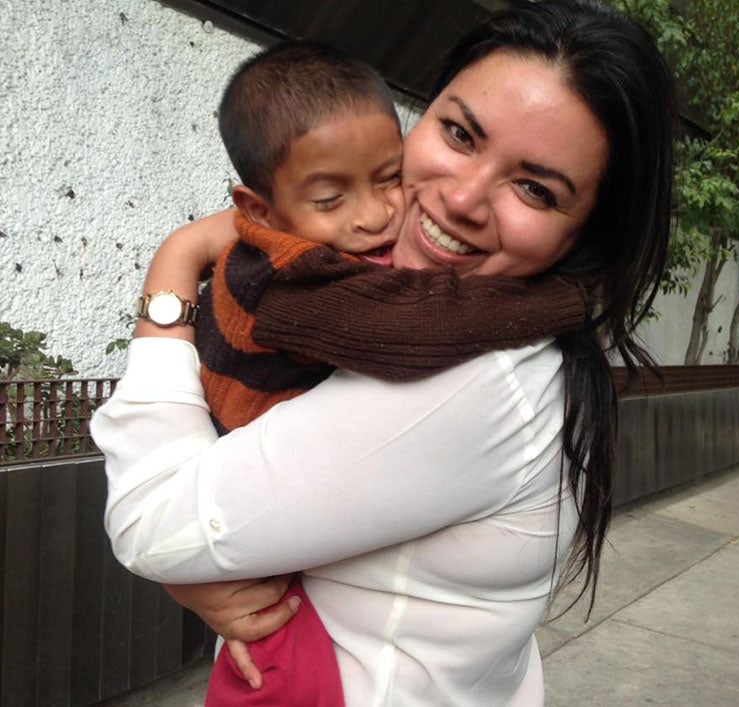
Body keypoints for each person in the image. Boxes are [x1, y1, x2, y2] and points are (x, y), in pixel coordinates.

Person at [92, 1, 676, 705]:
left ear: (585, 235)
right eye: (460, 132)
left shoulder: (464, 374)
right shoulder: (412, 309)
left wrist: (175, 262)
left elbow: (151, 523)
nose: (461, 197)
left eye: (534, 188)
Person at [195, 40, 588, 706]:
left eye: (534, 187)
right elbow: (408, 326)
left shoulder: (484, 384)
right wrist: (570, 301)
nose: (378, 214)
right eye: (461, 134)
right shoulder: (302, 285)